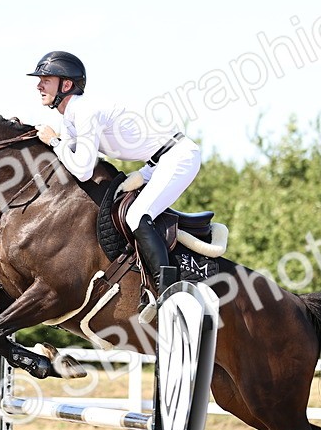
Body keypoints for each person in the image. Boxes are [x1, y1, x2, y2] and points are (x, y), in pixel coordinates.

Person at [28, 51, 201, 320]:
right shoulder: (71, 116)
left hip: (178, 157)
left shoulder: (84, 111)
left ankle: (167, 292)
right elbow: (69, 156)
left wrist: (53, 141)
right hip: (153, 165)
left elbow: (83, 170)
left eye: (46, 79)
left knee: (137, 215)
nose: (39, 85)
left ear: (66, 85)